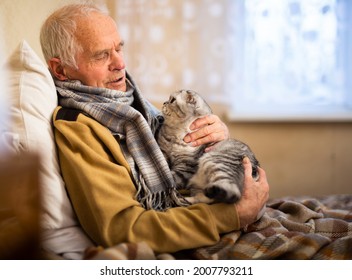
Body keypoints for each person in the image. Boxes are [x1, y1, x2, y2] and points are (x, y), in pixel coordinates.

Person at [40, 4, 269, 255]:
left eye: (119, 48)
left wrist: (214, 137)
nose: (120, 63)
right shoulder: (79, 129)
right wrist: (232, 215)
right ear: (61, 70)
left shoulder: (129, 105)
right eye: (101, 55)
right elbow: (124, 228)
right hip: (196, 229)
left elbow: (176, 160)